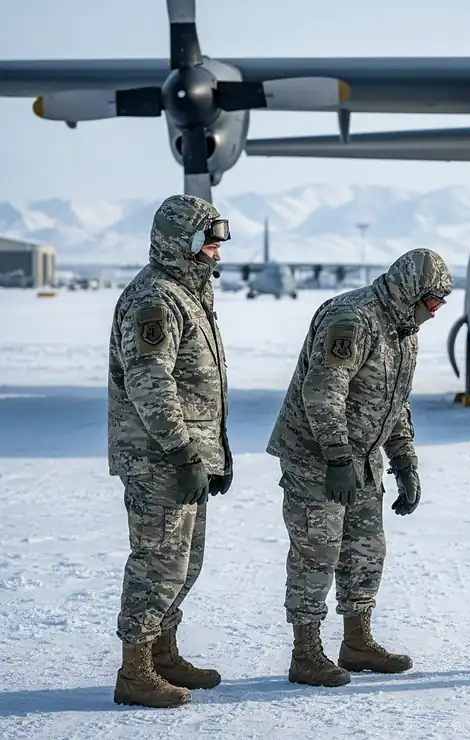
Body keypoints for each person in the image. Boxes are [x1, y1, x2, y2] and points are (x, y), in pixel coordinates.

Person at [267, 248, 452, 687]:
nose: (434, 313)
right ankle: (306, 652)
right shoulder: (352, 318)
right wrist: (336, 456)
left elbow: (394, 402)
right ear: (411, 292)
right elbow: (323, 390)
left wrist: (404, 460)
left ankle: (357, 641)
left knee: (366, 552)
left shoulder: (404, 329)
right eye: (431, 303)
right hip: (318, 459)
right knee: (317, 554)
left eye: (440, 305)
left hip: (363, 459)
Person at [108, 193, 233, 707]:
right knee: (157, 562)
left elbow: (200, 386)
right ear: (181, 242)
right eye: (209, 245)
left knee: (185, 563)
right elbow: (150, 383)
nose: (216, 256)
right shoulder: (155, 299)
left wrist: (213, 454)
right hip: (157, 458)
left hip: (185, 457)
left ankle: (163, 652)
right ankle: (134, 670)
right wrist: (183, 454)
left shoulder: (187, 294)